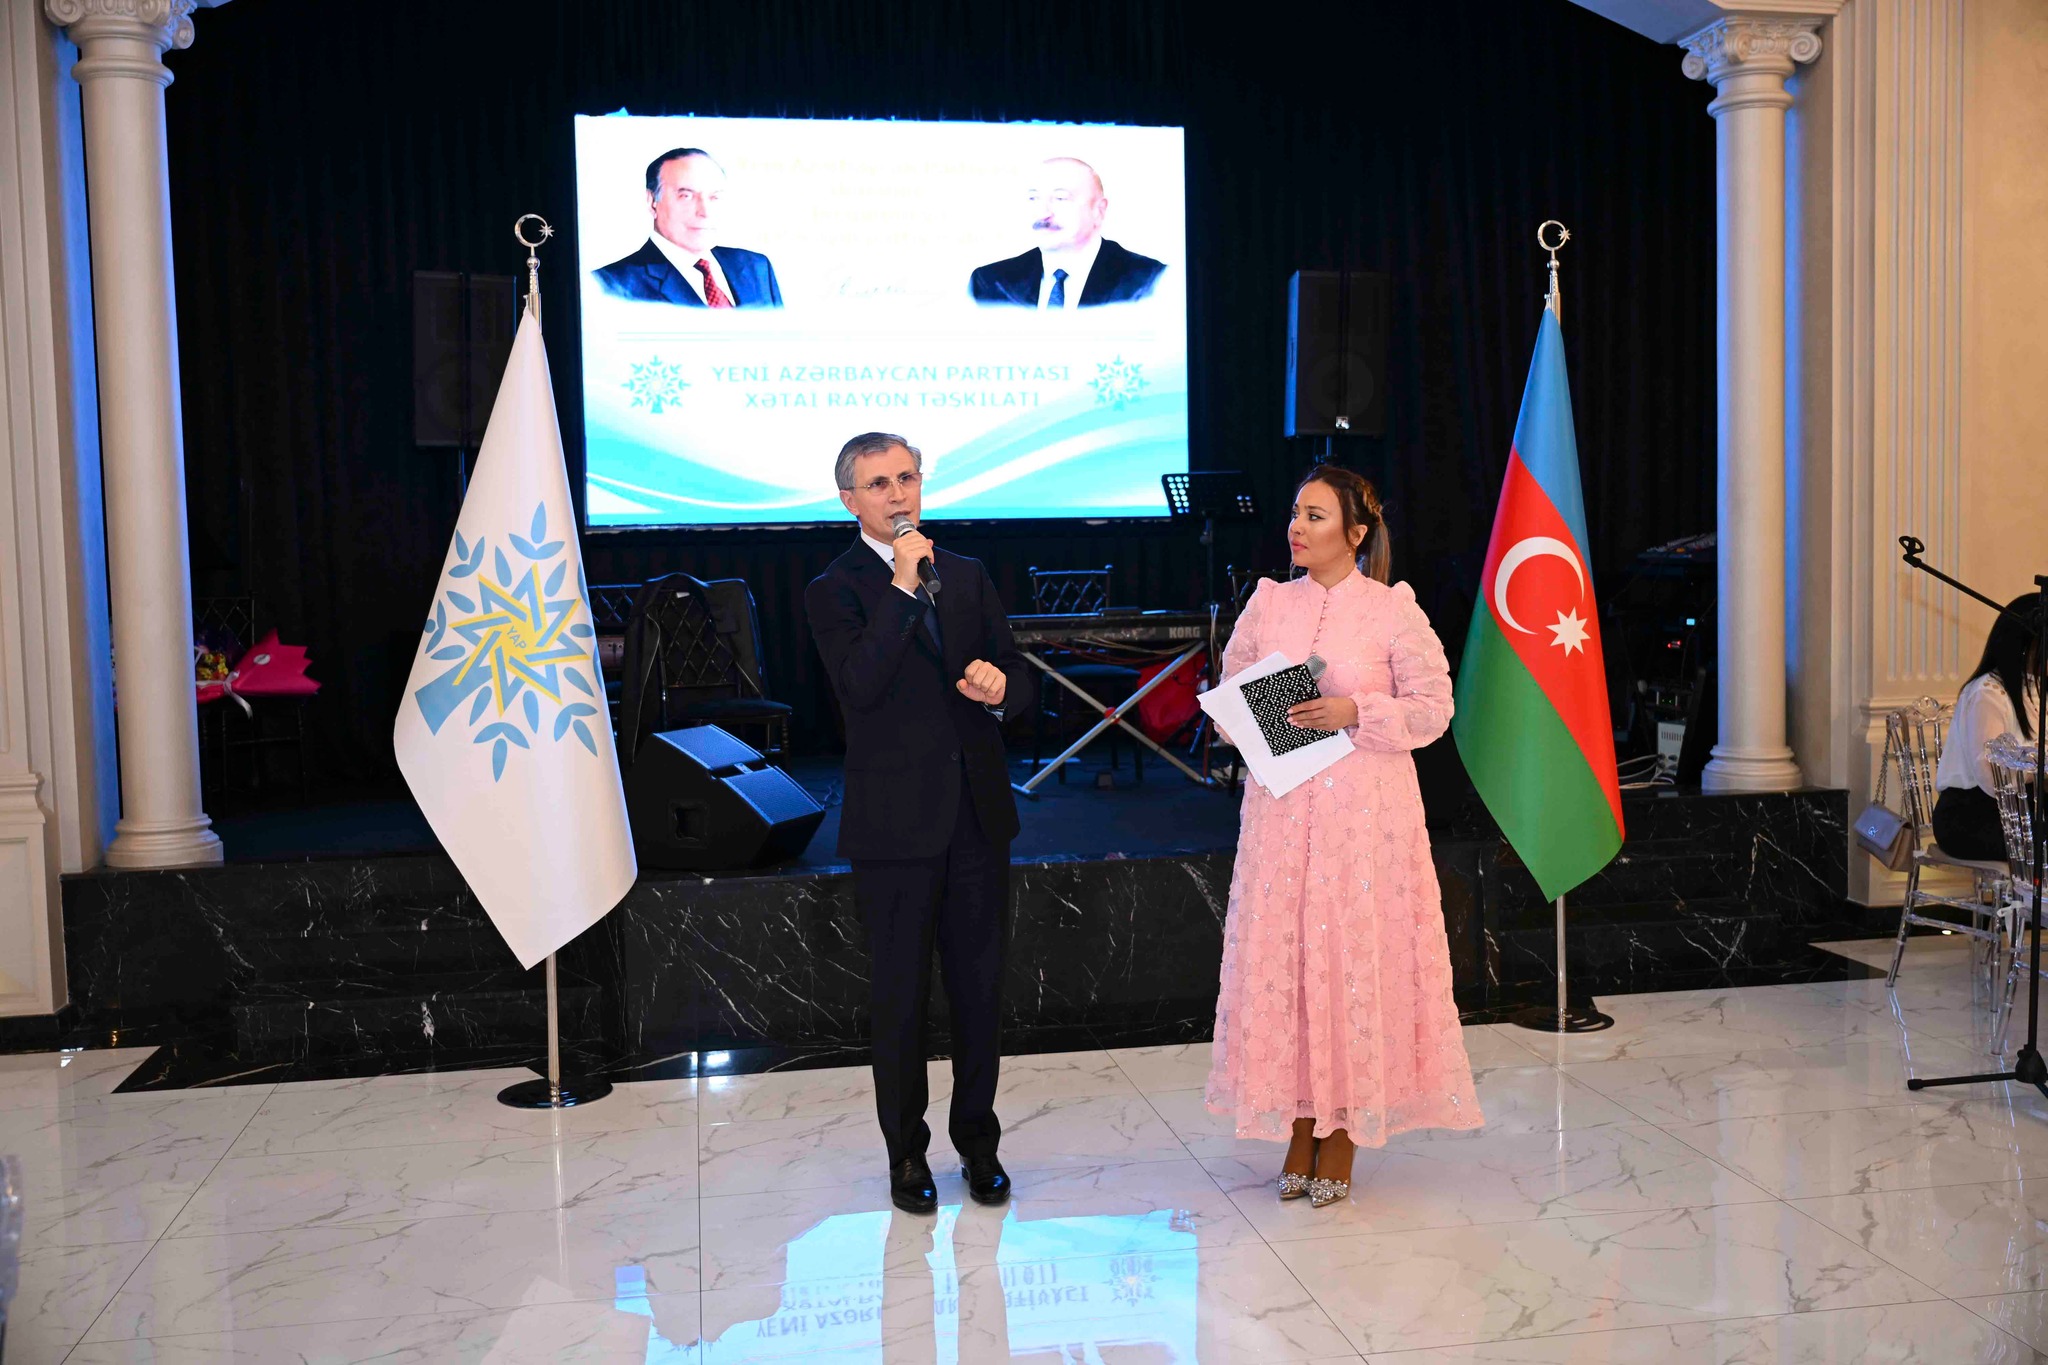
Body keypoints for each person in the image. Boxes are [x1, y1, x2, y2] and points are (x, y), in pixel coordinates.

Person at [1204, 467, 1482, 1208]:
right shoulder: (1268, 601)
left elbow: (1434, 707)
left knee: (1354, 962)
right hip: (1282, 815)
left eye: (1316, 516)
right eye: (1296, 513)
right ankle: (1300, 1124)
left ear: (1356, 533)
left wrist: (1356, 710)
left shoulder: (1392, 608)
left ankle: (1347, 1129)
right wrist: (1260, 713)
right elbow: (1231, 698)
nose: (1297, 528)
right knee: (1290, 961)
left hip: (1366, 820)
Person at [804, 432, 1035, 1215]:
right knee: (900, 998)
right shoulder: (833, 589)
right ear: (849, 500)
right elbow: (859, 687)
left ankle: (979, 1143)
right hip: (894, 825)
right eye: (878, 484)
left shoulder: (965, 573)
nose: (898, 494)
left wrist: (1002, 688)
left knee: (979, 990)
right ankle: (906, 1153)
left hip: (977, 815)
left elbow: (1018, 677)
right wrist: (902, 590)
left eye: (906, 477)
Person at [592, 148, 783, 307]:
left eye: (714, 197)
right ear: (652, 202)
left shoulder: (756, 267)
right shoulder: (611, 283)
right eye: (686, 196)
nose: (705, 212)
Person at [969, 157, 1166, 308]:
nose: (1043, 213)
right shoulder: (990, 282)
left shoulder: (1150, 281)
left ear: (1098, 210)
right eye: (1034, 198)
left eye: (1060, 198)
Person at [1933, 592, 2042, 860]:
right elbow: (1991, 777)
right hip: (1973, 815)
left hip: (2021, 806)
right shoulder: (1988, 693)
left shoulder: (2035, 687)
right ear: (2027, 646)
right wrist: (2039, 768)